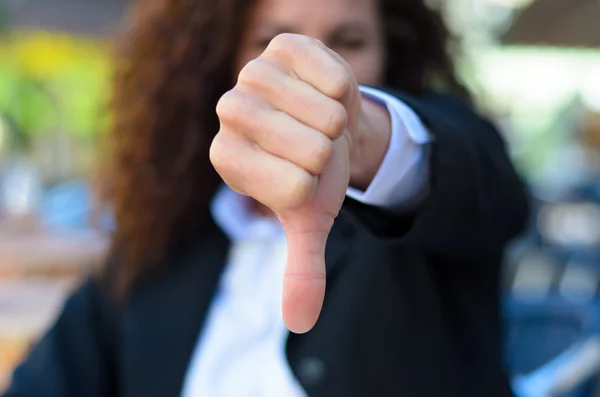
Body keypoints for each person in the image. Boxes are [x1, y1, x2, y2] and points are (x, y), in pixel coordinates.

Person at [3, 0, 529, 396]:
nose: (311, 70)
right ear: (220, 61)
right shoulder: (159, 244)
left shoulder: (436, 187)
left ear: (393, 57)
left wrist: (360, 132)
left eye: (349, 42)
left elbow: (484, 184)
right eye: (273, 41)